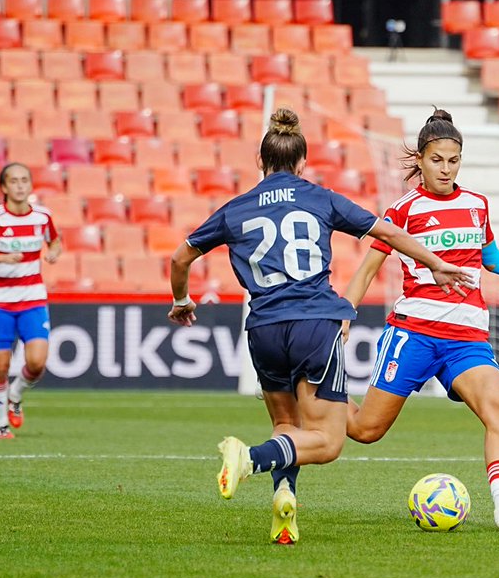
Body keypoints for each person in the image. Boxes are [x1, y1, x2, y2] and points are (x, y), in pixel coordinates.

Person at [167, 108, 471, 545]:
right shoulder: (319, 197)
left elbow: (180, 258)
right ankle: (249, 459)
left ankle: (284, 498)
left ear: (260, 162)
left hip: (264, 329)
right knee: (327, 443)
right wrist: (437, 264)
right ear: (303, 162)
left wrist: (181, 300)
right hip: (315, 324)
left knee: (286, 426)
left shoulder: (235, 209)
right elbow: (388, 234)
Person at [342, 109, 499, 532]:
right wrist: (346, 313)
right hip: (414, 332)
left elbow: (492, 258)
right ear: (421, 161)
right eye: (437, 159)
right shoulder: (404, 210)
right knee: (366, 430)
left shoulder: (476, 204)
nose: (446, 168)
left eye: (453, 160)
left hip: (467, 336)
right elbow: (370, 267)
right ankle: (307, 388)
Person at [0, 162, 63, 440]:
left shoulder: (43, 216)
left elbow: (55, 241)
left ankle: (16, 396)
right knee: (0, 366)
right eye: (14, 181)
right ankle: (0, 426)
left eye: (24, 180)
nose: (20, 185)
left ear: (30, 185)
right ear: (4, 188)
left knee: (36, 363)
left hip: (33, 297)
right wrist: (0, 257)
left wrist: (54, 252)